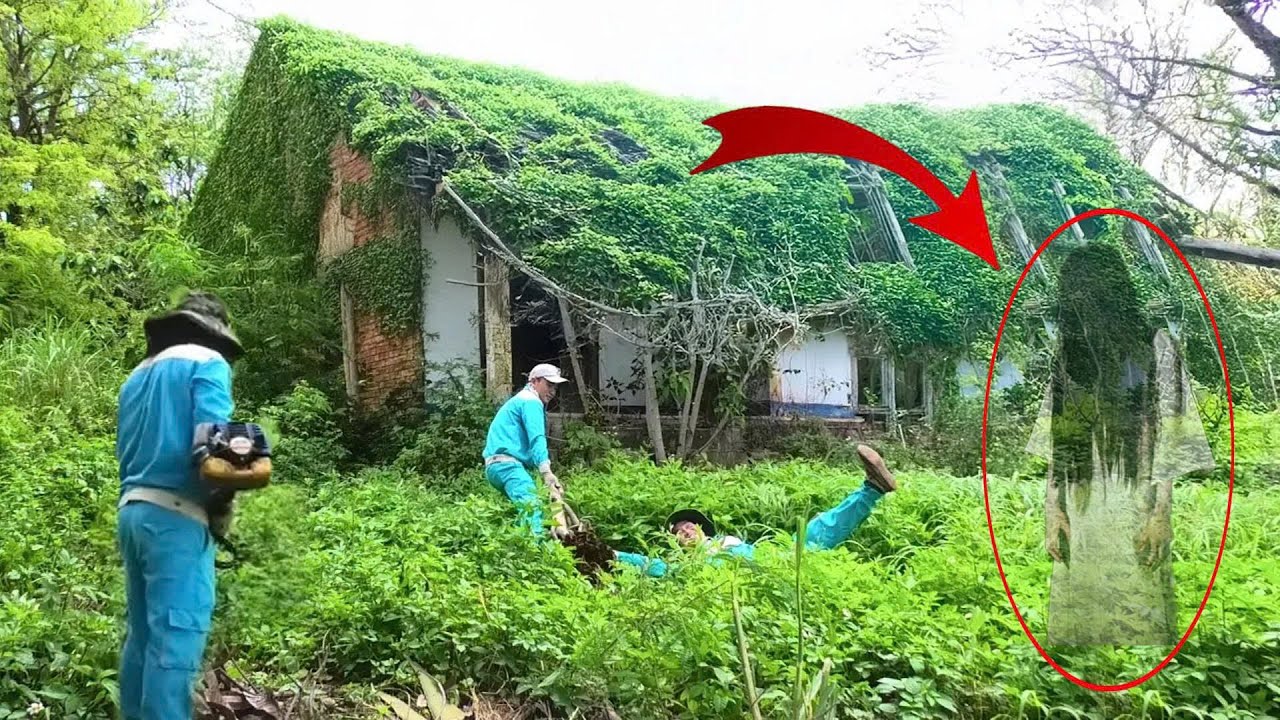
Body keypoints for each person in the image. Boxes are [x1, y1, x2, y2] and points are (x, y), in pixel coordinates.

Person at [1025, 243, 1215, 646]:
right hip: (1082, 507)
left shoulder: (1156, 347)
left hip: (1135, 502)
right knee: (1081, 618)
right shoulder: (1070, 356)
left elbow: (1173, 436)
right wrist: (1052, 511)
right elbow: (1062, 444)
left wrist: (1161, 514)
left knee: (1138, 608)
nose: (1080, 300)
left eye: (1087, 290)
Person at [115, 292, 243, 720]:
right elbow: (214, 449)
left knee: (143, 639)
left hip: (133, 512)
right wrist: (224, 501)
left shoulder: (135, 377)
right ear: (213, 334)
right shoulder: (208, 363)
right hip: (176, 518)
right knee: (175, 639)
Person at [613, 444, 898, 578]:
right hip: (760, 580)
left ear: (703, 530)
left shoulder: (727, 542)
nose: (686, 530)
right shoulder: (687, 567)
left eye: (690, 525)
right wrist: (613, 555)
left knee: (814, 530)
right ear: (675, 543)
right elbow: (652, 566)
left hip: (775, 560)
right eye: (680, 532)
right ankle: (872, 490)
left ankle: (872, 488)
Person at [483, 363, 572, 538]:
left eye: (555, 386)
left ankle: (528, 545)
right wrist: (546, 471)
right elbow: (537, 438)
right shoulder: (531, 402)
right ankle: (537, 555)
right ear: (535, 381)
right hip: (507, 465)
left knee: (527, 510)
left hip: (496, 466)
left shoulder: (520, 400)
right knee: (532, 509)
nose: (553, 391)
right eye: (549, 384)